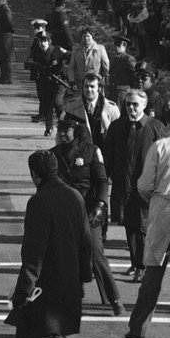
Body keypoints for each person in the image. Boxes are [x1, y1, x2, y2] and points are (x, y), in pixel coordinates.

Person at [4, 149, 120, 338]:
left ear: (35, 175)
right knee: (25, 328)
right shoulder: (75, 196)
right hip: (69, 278)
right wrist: (84, 276)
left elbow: (34, 252)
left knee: (47, 334)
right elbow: (86, 240)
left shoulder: (39, 202)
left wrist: (23, 289)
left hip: (45, 283)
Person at [51, 116, 124, 315]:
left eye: (67, 129)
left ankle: (115, 298)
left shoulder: (92, 151)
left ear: (77, 130)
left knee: (95, 253)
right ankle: (73, 295)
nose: (62, 134)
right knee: (66, 256)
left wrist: (100, 205)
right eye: (60, 129)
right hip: (65, 213)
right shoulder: (53, 154)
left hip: (90, 211)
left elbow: (101, 182)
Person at [101, 89, 166, 283]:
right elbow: (108, 157)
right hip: (123, 186)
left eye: (135, 104)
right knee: (129, 225)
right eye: (128, 103)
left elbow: (165, 157)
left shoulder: (155, 127)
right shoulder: (117, 126)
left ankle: (142, 266)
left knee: (142, 227)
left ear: (144, 106)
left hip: (147, 188)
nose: (131, 107)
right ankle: (135, 262)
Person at [127, 134, 170, 338]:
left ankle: (138, 329)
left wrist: (152, 199)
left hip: (163, 207)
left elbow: (144, 185)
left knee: (153, 271)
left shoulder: (161, 146)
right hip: (162, 203)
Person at [26, 33, 70, 135]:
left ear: (49, 41)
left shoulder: (57, 50)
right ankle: (48, 127)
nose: (42, 43)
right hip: (45, 83)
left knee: (57, 102)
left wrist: (65, 64)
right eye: (41, 41)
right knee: (47, 105)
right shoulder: (36, 52)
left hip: (59, 81)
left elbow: (69, 55)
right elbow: (27, 62)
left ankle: (63, 124)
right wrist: (39, 66)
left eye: (45, 40)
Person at [63, 73, 119, 145]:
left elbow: (118, 136)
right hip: (79, 151)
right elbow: (62, 133)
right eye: (86, 86)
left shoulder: (111, 109)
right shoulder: (72, 106)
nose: (89, 89)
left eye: (92, 86)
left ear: (99, 88)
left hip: (104, 151)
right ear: (82, 87)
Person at [0, 0, 14, 84]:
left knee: (6, 58)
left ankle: (7, 77)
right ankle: (3, 76)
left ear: (3, 1)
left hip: (5, 37)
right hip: (2, 37)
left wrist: (4, 30)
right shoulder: (3, 9)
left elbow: (9, 23)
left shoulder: (6, 10)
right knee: (2, 58)